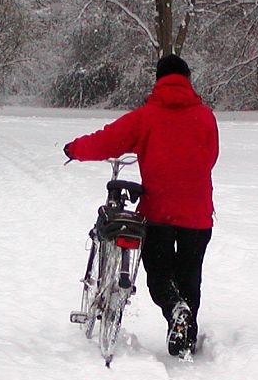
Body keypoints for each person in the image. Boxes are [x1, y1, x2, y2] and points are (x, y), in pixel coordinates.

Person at [63, 54, 219, 357]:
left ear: (158, 80)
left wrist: (75, 149)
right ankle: (184, 340)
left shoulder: (147, 116)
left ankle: (174, 308)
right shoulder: (206, 117)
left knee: (160, 274)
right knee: (190, 275)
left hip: (159, 212)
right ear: (187, 79)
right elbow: (210, 157)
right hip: (198, 215)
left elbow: (108, 140)